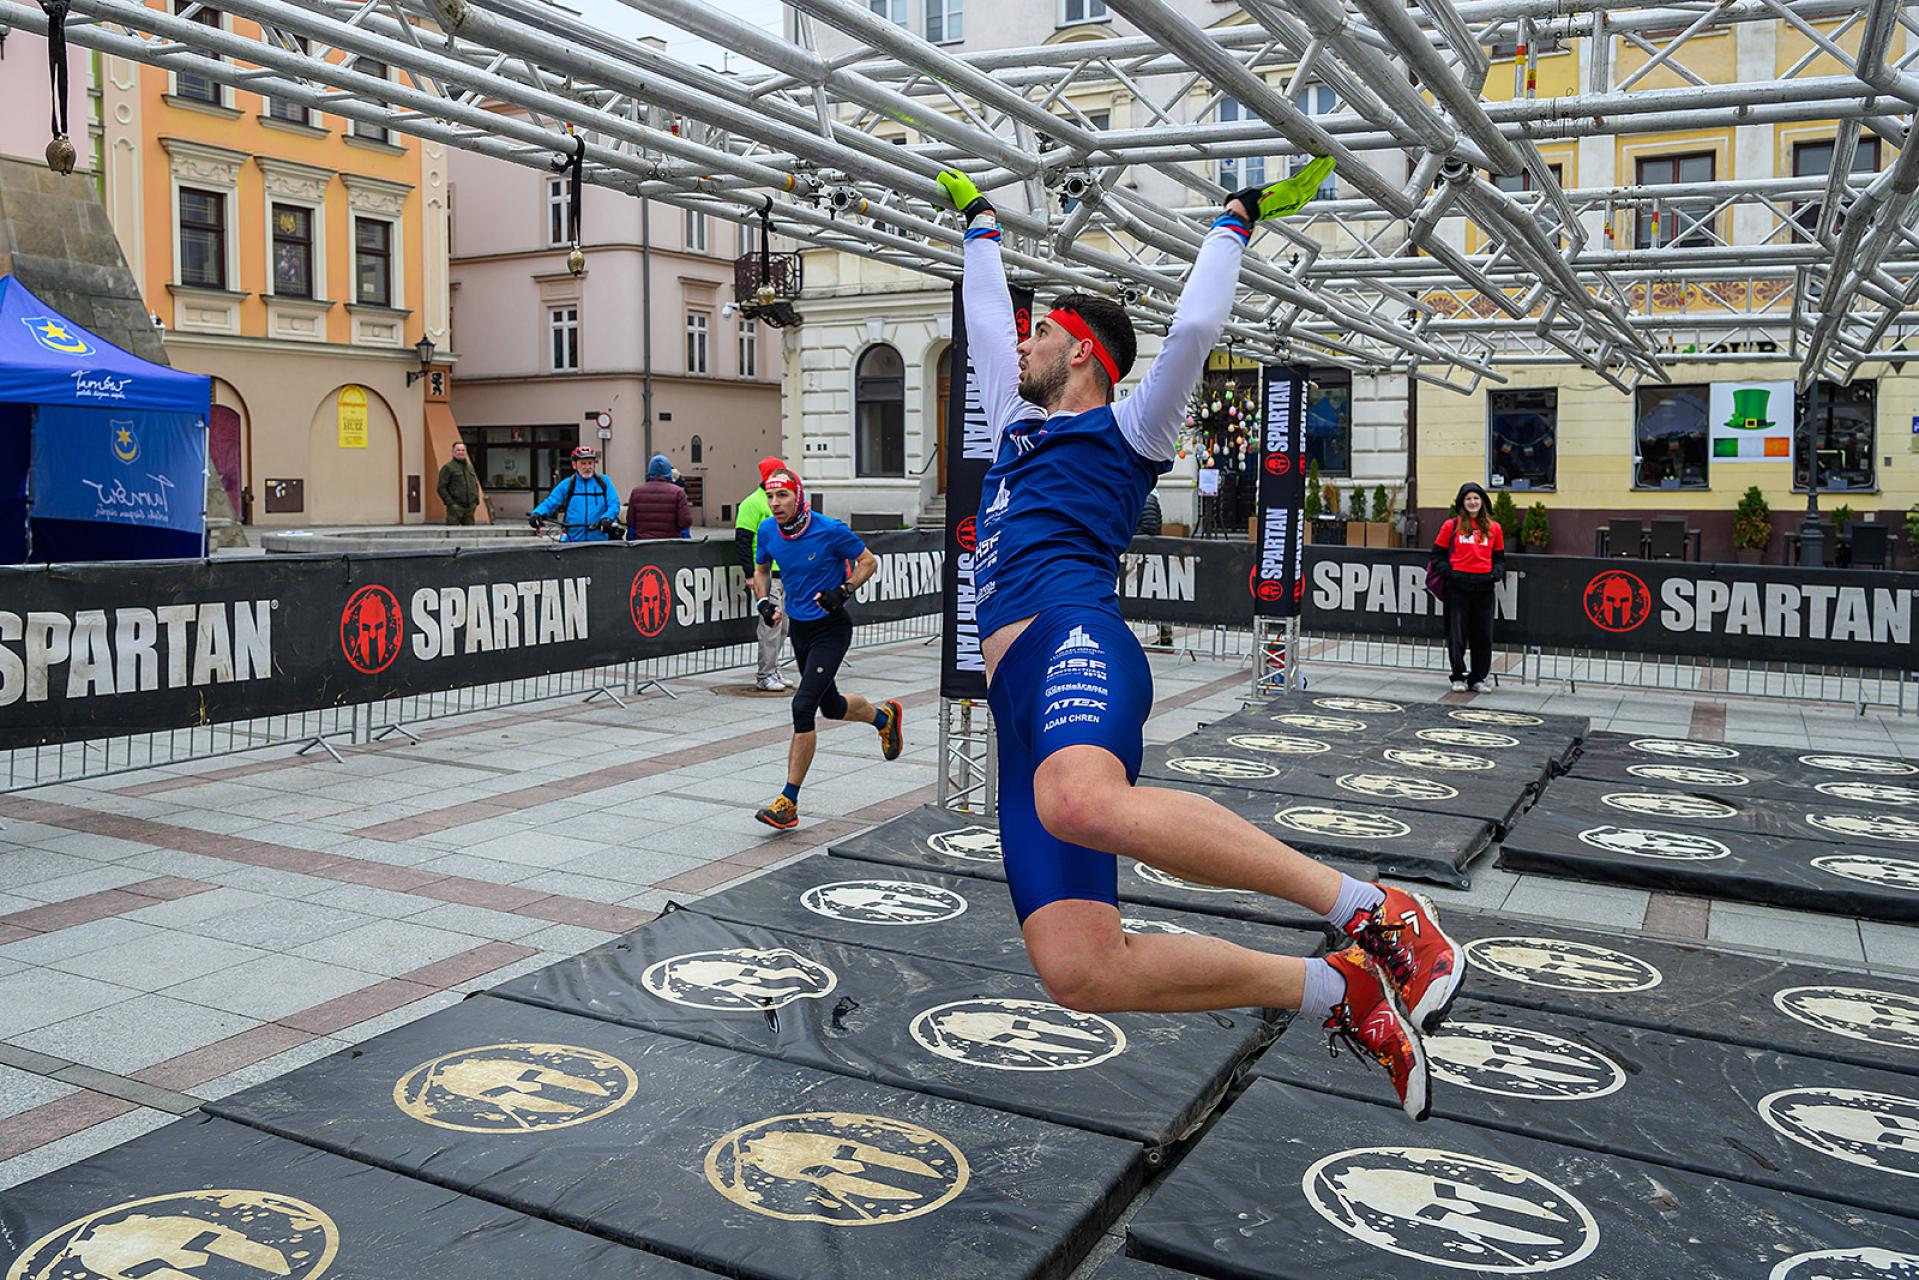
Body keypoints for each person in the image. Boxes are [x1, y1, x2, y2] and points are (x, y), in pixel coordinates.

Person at [937, 161, 1461, 1122]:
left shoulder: (1134, 426)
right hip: (1014, 700)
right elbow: (980, 325)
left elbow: (1192, 331)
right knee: (1080, 972)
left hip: (1072, 640)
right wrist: (977, 224)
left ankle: (1372, 909)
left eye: (1042, 330)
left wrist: (1233, 220)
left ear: (1085, 352)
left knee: (1082, 800)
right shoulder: (1014, 425)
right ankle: (1334, 991)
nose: (1022, 342)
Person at [750, 467, 904, 830]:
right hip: (800, 630)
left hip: (832, 628)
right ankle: (884, 718)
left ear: (798, 496)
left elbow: (869, 561)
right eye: (771, 497)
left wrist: (845, 589)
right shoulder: (768, 530)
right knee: (831, 707)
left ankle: (788, 802)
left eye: (782, 496)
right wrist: (763, 601)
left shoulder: (829, 530)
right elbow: (760, 570)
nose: (775, 504)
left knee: (803, 706)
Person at [1431, 481, 1504, 694]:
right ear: (1462, 502)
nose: (1473, 502)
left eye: (1476, 498)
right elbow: (1437, 556)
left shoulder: (1494, 528)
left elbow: (1499, 558)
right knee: (1457, 635)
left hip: (1484, 587)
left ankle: (1479, 678)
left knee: (1483, 635)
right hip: (1458, 587)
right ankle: (1458, 677)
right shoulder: (1451, 526)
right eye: (1468, 498)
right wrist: (1451, 574)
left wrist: (1495, 573)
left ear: (1483, 502)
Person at [736, 456, 790, 691]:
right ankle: (764, 674)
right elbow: (743, 539)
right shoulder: (752, 503)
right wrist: (750, 573)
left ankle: (774, 669)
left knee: (784, 627)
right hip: (766, 574)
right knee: (770, 626)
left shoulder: (785, 501)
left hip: (786, 572)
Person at [530, 446, 622, 542]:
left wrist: (607, 518)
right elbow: (550, 502)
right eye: (583, 463)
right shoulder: (568, 483)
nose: (587, 467)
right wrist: (537, 513)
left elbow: (614, 503)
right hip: (573, 540)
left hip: (599, 540)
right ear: (574, 465)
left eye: (590, 463)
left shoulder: (604, 482)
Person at [627, 453, 693, 540]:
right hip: (670, 546)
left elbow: (631, 523)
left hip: (642, 546)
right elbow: (685, 522)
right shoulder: (678, 493)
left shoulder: (636, 492)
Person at [436, 440, 482, 526]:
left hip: (470, 508)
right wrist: (451, 503)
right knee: (453, 534)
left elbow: (475, 484)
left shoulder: (470, 467)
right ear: (453, 452)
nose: (460, 452)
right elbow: (441, 488)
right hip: (455, 508)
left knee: (470, 534)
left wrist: (476, 500)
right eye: (458, 450)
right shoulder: (448, 468)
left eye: (463, 450)